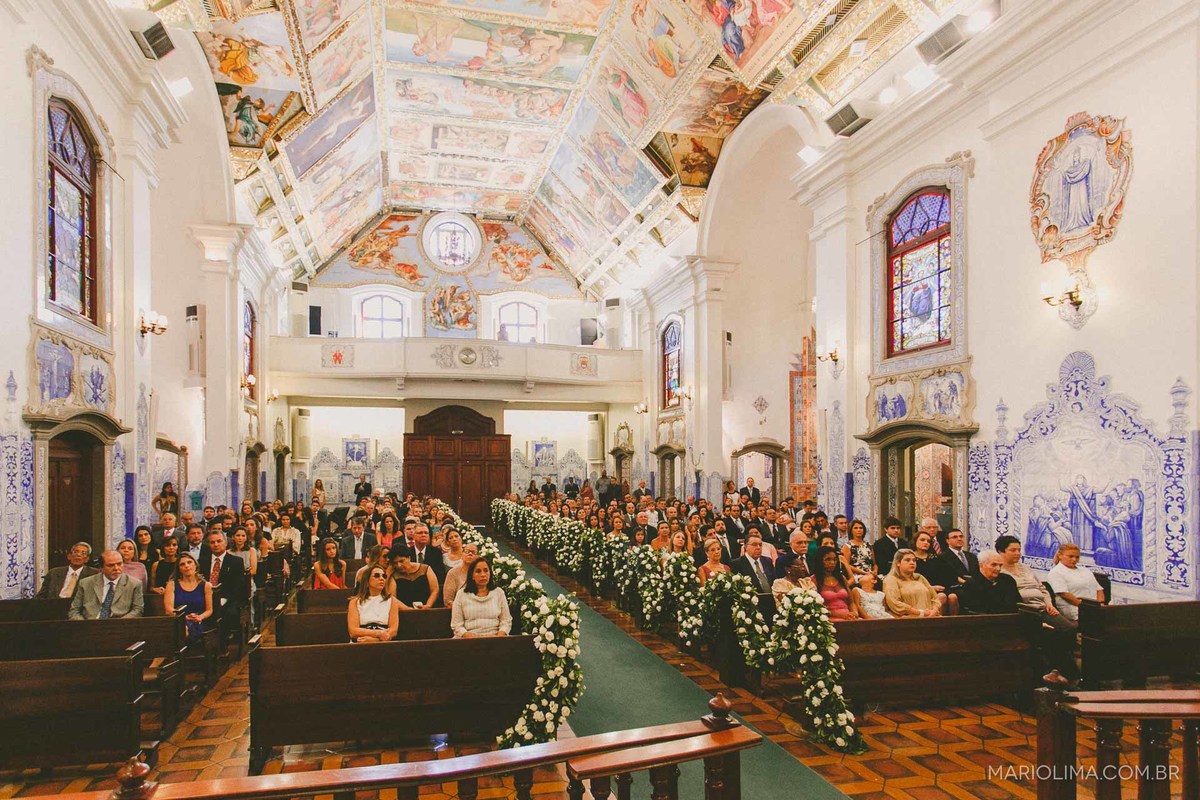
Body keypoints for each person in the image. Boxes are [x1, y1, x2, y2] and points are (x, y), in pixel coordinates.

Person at [994, 535, 1074, 630]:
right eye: (1013, 550)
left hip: (1043, 608)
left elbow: (1042, 588)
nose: (1017, 553)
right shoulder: (998, 571)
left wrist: (1049, 604)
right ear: (1000, 552)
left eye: (1019, 550)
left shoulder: (1025, 568)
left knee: (1069, 628)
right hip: (1026, 611)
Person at [70, 549, 144, 619]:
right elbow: (74, 611)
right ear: (101, 568)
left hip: (120, 626)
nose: (116, 568)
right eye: (111, 565)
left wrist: (120, 624)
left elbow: (138, 610)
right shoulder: (85, 583)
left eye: (119, 564)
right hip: (90, 625)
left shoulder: (134, 584)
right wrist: (84, 626)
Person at [451, 557, 512, 638]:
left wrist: (500, 635)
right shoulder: (461, 594)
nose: (483, 575)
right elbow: (456, 624)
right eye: (478, 571)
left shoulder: (498, 592)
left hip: (495, 638)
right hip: (468, 639)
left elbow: (506, 621)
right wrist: (470, 636)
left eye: (486, 571)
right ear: (472, 575)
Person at [1046, 543, 1104, 622]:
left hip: (1095, 608)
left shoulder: (1085, 570)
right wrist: (1086, 607)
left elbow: (1099, 589)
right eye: (1071, 556)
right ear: (1060, 556)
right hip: (1075, 609)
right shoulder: (1056, 572)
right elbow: (1064, 594)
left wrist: (1101, 604)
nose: (1074, 559)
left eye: (1077, 557)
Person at [164, 553, 212, 641]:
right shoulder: (172, 585)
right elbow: (169, 610)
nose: (186, 566)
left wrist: (200, 617)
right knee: (181, 629)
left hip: (198, 620)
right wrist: (184, 618)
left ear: (195, 565)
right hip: (178, 620)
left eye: (189, 562)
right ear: (179, 569)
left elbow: (209, 610)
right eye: (182, 564)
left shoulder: (206, 585)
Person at [347, 565, 402, 643]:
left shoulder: (392, 601)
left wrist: (374, 640)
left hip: (384, 641)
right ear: (367, 582)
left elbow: (393, 630)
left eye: (384, 576)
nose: (381, 578)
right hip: (360, 640)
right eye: (376, 576)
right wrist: (377, 633)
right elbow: (353, 631)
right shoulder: (355, 602)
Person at [883, 549, 941, 617]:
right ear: (898, 563)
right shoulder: (891, 580)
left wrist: (934, 610)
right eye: (907, 560)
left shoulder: (919, 577)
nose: (912, 563)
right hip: (908, 619)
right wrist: (920, 613)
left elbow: (934, 597)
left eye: (914, 560)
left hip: (930, 616)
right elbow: (894, 603)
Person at [814, 545, 862, 620]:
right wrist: (840, 615)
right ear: (820, 561)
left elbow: (851, 603)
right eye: (828, 559)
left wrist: (855, 614)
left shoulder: (841, 578)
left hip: (848, 616)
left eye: (835, 559)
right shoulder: (814, 580)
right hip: (828, 618)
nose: (832, 562)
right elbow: (817, 608)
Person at [442, 541, 479, 606]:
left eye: (473, 552)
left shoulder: (481, 572)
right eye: (467, 551)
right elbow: (448, 600)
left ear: (478, 557)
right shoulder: (452, 573)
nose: (470, 554)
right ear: (462, 554)